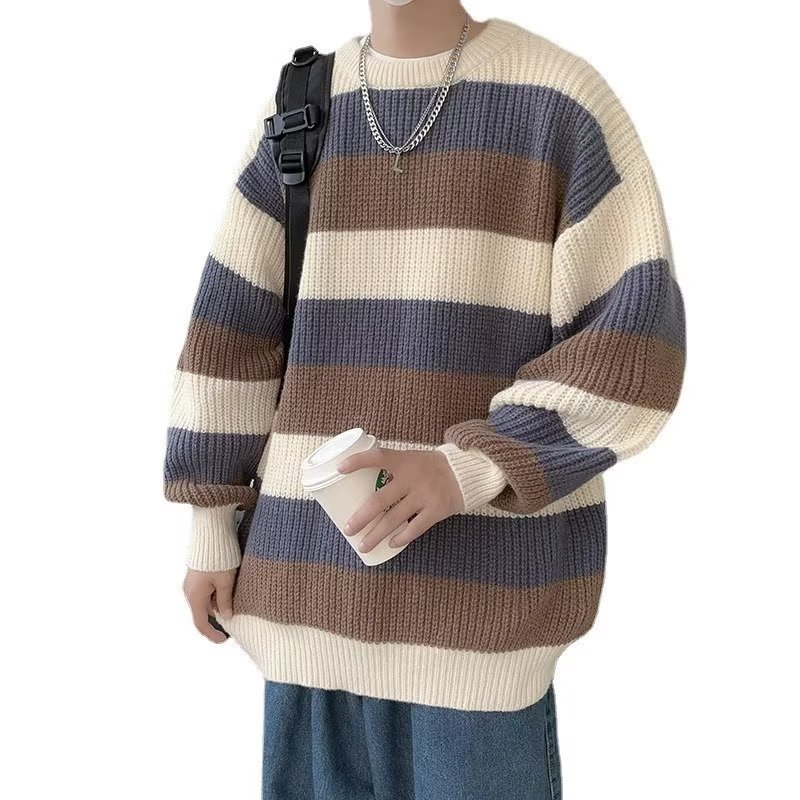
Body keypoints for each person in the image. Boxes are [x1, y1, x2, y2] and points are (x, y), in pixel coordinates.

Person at [163, 1, 686, 797]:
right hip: (308, 605)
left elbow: (633, 349)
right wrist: (210, 526)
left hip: (480, 625)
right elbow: (231, 331)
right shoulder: (303, 105)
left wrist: (467, 467)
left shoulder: (559, 103)